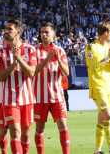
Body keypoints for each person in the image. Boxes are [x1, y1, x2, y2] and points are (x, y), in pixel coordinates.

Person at [0, 19, 36, 154]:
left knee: (25, 134)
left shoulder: (30, 49)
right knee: (15, 132)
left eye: (9, 29)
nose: (6, 31)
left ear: (18, 31)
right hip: (9, 99)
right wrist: (13, 66)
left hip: (27, 99)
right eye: (5, 29)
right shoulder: (0, 53)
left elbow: (31, 72)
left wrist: (18, 58)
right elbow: (1, 77)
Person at [33, 23, 70, 154]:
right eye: (42, 32)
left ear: (53, 34)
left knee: (63, 126)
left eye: (46, 32)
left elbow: (66, 72)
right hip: (39, 97)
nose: (43, 35)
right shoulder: (35, 51)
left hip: (57, 96)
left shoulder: (60, 51)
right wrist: (48, 59)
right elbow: (33, 71)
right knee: (39, 129)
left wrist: (58, 60)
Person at [85, 21, 110, 154]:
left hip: (109, 86)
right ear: (105, 33)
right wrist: (109, 56)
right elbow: (94, 66)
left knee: (103, 118)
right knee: (108, 115)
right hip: (97, 85)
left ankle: (100, 150)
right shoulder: (91, 47)